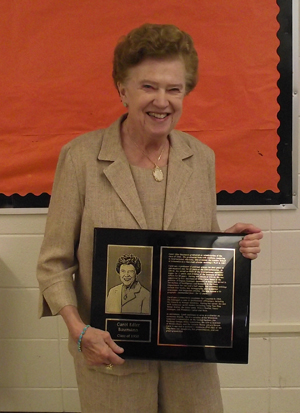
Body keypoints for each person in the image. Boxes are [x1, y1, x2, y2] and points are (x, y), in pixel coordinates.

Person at [37, 23, 263, 413]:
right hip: (113, 358)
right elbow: (54, 264)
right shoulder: (80, 159)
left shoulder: (201, 158)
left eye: (174, 89)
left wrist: (228, 247)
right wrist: (79, 332)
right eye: (148, 87)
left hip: (190, 363)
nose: (162, 101)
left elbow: (193, 255)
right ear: (122, 90)